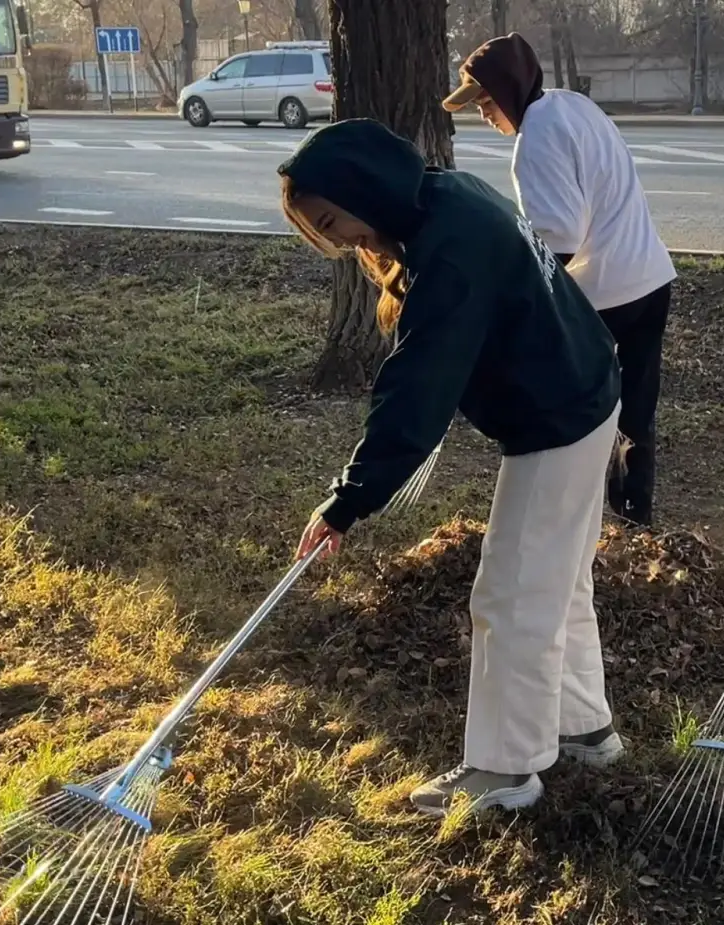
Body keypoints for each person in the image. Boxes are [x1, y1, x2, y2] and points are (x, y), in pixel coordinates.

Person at [278, 117, 626, 817]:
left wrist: (347, 500)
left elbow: (417, 391)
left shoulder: (449, 249)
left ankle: (505, 769)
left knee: (511, 596)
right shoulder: (443, 196)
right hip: (583, 392)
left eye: (330, 220)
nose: (337, 240)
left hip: (559, 415)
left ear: (359, 189)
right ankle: (586, 727)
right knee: (556, 583)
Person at [441, 32, 677, 529]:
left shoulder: (535, 139)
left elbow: (560, 238)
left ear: (508, 91)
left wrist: (514, 294)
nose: (482, 114)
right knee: (636, 410)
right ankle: (634, 520)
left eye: (485, 102)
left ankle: (575, 518)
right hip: (650, 276)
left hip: (604, 294)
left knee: (579, 409)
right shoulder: (572, 106)